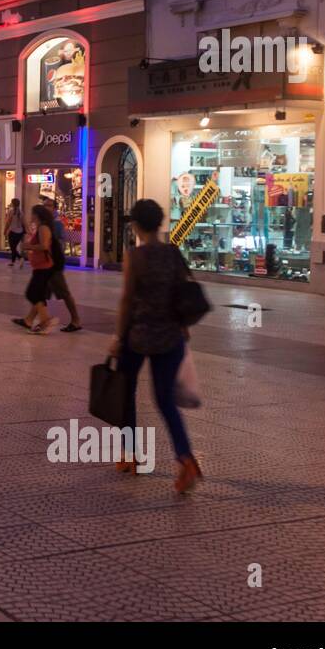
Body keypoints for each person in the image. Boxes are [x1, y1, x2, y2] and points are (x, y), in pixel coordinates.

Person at [109, 198, 202, 495]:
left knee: (126, 393)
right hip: (170, 337)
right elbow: (185, 290)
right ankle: (185, 458)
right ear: (160, 223)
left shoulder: (135, 257)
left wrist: (118, 337)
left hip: (138, 335)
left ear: (135, 226)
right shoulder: (173, 253)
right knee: (165, 402)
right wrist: (183, 326)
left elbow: (126, 300)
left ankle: (131, 455)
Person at [41, 196, 83, 332]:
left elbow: (56, 242)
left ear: (54, 208)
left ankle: (76, 321)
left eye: (49, 205)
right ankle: (35, 320)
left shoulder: (56, 223)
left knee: (64, 293)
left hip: (53, 263)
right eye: (44, 205)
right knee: (40, 293)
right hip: (47, 263)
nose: (46, 208)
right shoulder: (47, 222)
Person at [14, 204, 58, 333]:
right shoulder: (40, 227)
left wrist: (28, 246)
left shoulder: (43, 228)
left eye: (32, 213)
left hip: (44, 266)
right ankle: (29, 320)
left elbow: (44, 246)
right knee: (37, 294)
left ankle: (46, 320)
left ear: (37, 215)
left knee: (32, 293)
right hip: (40, 266)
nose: (30, 216)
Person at [4, 198, 26, 267]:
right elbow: (24, 223)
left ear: (12, 204)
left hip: (12, 232)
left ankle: (20, 258)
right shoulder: (21, 212)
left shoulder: (11, 211)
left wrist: (5, 230)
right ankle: (13, 262)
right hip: (20, 233)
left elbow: (8, 222)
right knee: (14, 247)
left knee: (12, 248)